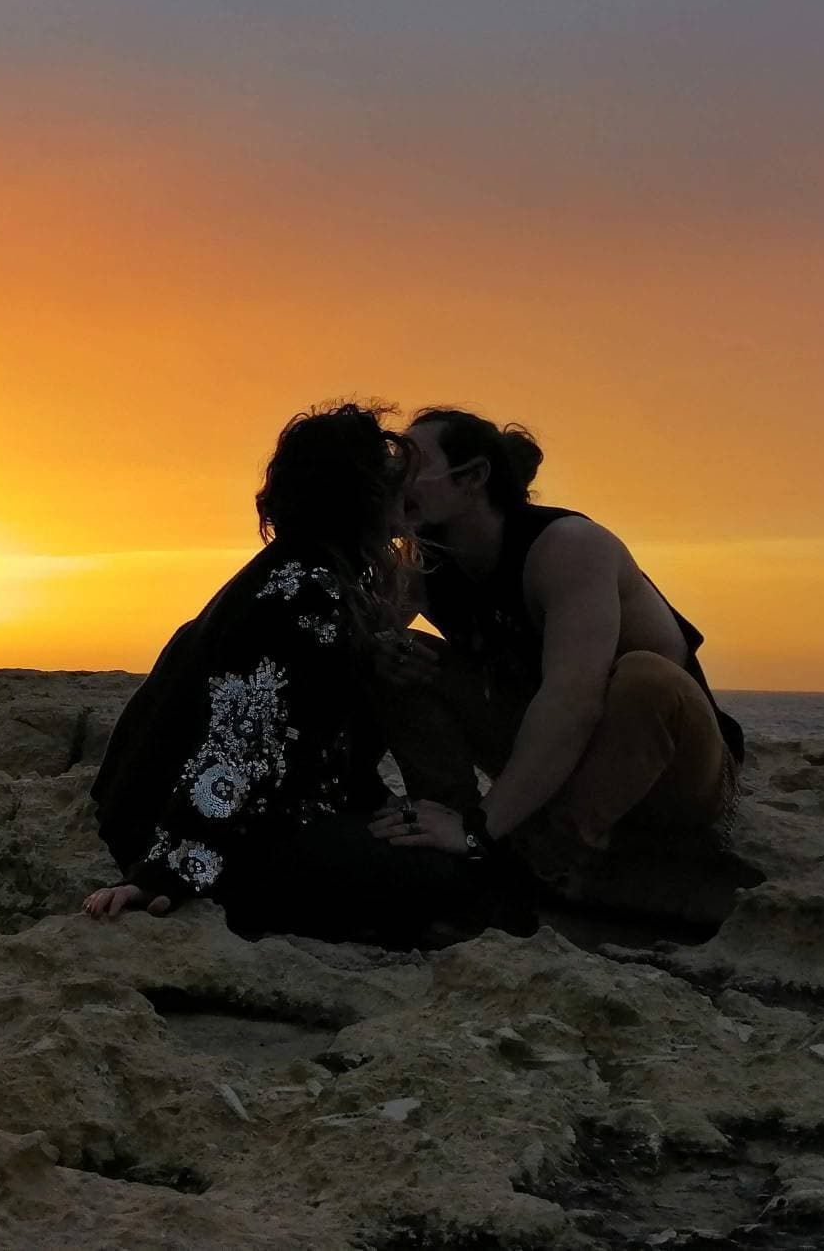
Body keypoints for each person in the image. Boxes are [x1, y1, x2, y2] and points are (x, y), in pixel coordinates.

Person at [84, 402, 506, 948]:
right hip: (217, 834)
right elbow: (237, 748)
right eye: (385, 475)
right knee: (452, 880)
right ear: (356, 496)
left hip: (262, 811)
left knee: (419, 851)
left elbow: (309, 727)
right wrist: (166, 874)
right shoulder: (301, 594)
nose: (401, 487)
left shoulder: (316, 576)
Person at [370, 407, 743, 875]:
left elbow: (573, 703)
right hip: (555, 760)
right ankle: (442, 826)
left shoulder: (568, 547)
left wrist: (484, 830)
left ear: (473, 477)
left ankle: (550, 852)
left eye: (412, 466)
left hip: (667, 773)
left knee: (646, 678)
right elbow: (365, 636)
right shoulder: (427, 563)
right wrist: (382, 646)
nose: (394, 478)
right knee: (404, 652)